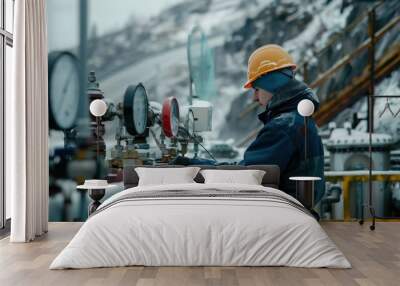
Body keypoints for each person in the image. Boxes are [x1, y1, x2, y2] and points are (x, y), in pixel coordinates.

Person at [239, 44, 325, 204]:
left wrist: (199, 165)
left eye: (256, 89)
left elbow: (246, 175)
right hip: (299, 211)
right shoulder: (300, 118)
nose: (254, 98)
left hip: (284, 215)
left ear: (270, 84)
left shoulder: (282, 127)